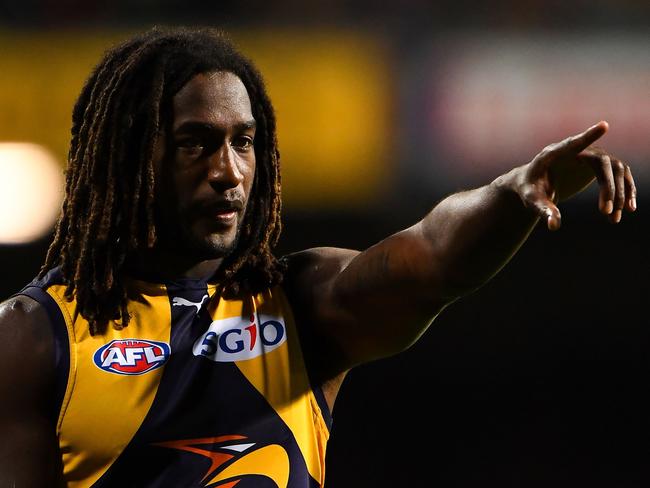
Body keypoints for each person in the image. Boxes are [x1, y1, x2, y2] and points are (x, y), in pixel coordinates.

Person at [0, 26, 637, 488]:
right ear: (131, 159)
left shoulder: (300, 303)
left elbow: (432, 257)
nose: (230, 172)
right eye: (197, 144)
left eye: (244, 143)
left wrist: (510, 194)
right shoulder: (32, 338)